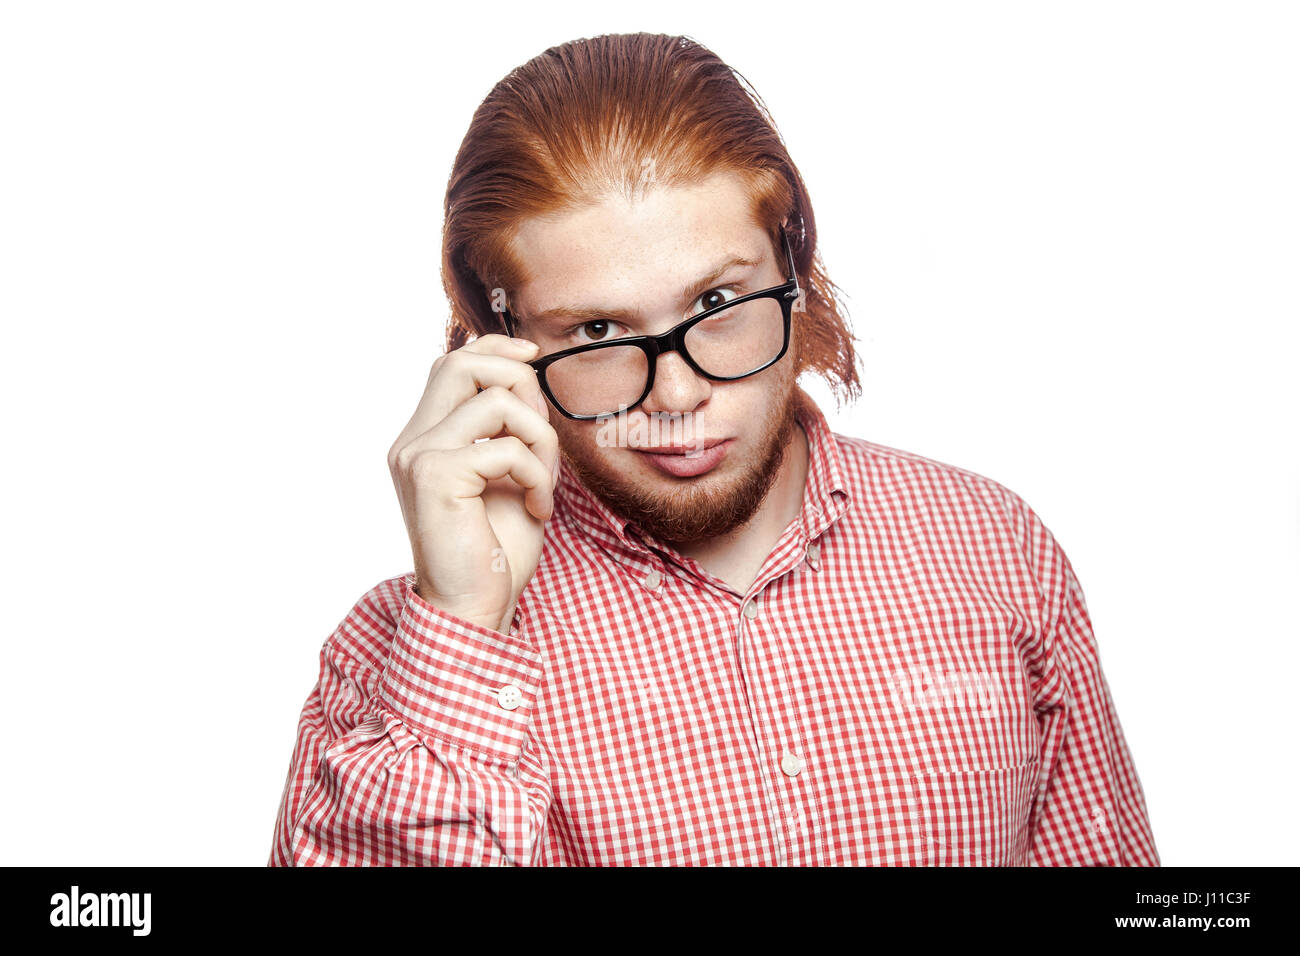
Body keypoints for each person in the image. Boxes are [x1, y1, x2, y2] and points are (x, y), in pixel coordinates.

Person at [267, 32, 1159, 866]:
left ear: (793, 270)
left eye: (717, 306)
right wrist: (463, 623)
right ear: (498, 343)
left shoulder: (992, 547)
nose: (679, 394)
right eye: (600, 326)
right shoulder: (401, 660)